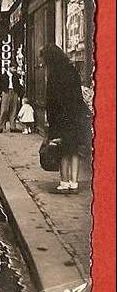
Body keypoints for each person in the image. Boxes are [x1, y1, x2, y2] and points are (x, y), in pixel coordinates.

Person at [41, 43, 92, 194]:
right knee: (74, 150)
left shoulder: (54, 74)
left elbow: (51, 100)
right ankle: (74, 183)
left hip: (60, 118)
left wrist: (50, 121)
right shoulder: (72, 70)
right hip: (75, 116)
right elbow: (77, 95)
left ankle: (64, 182)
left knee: (63, 151)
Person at [0, 65, 23, 133]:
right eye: (13, 68)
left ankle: (13, 127)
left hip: (14, 92)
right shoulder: (3, 76)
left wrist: (18, 93)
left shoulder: (16, 76)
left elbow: (18, 85)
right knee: (4, 110)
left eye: (15, 68)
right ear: (9, 68)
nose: (14, 70)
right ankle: (1, 127)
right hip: (6, 92)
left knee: (13, 109)